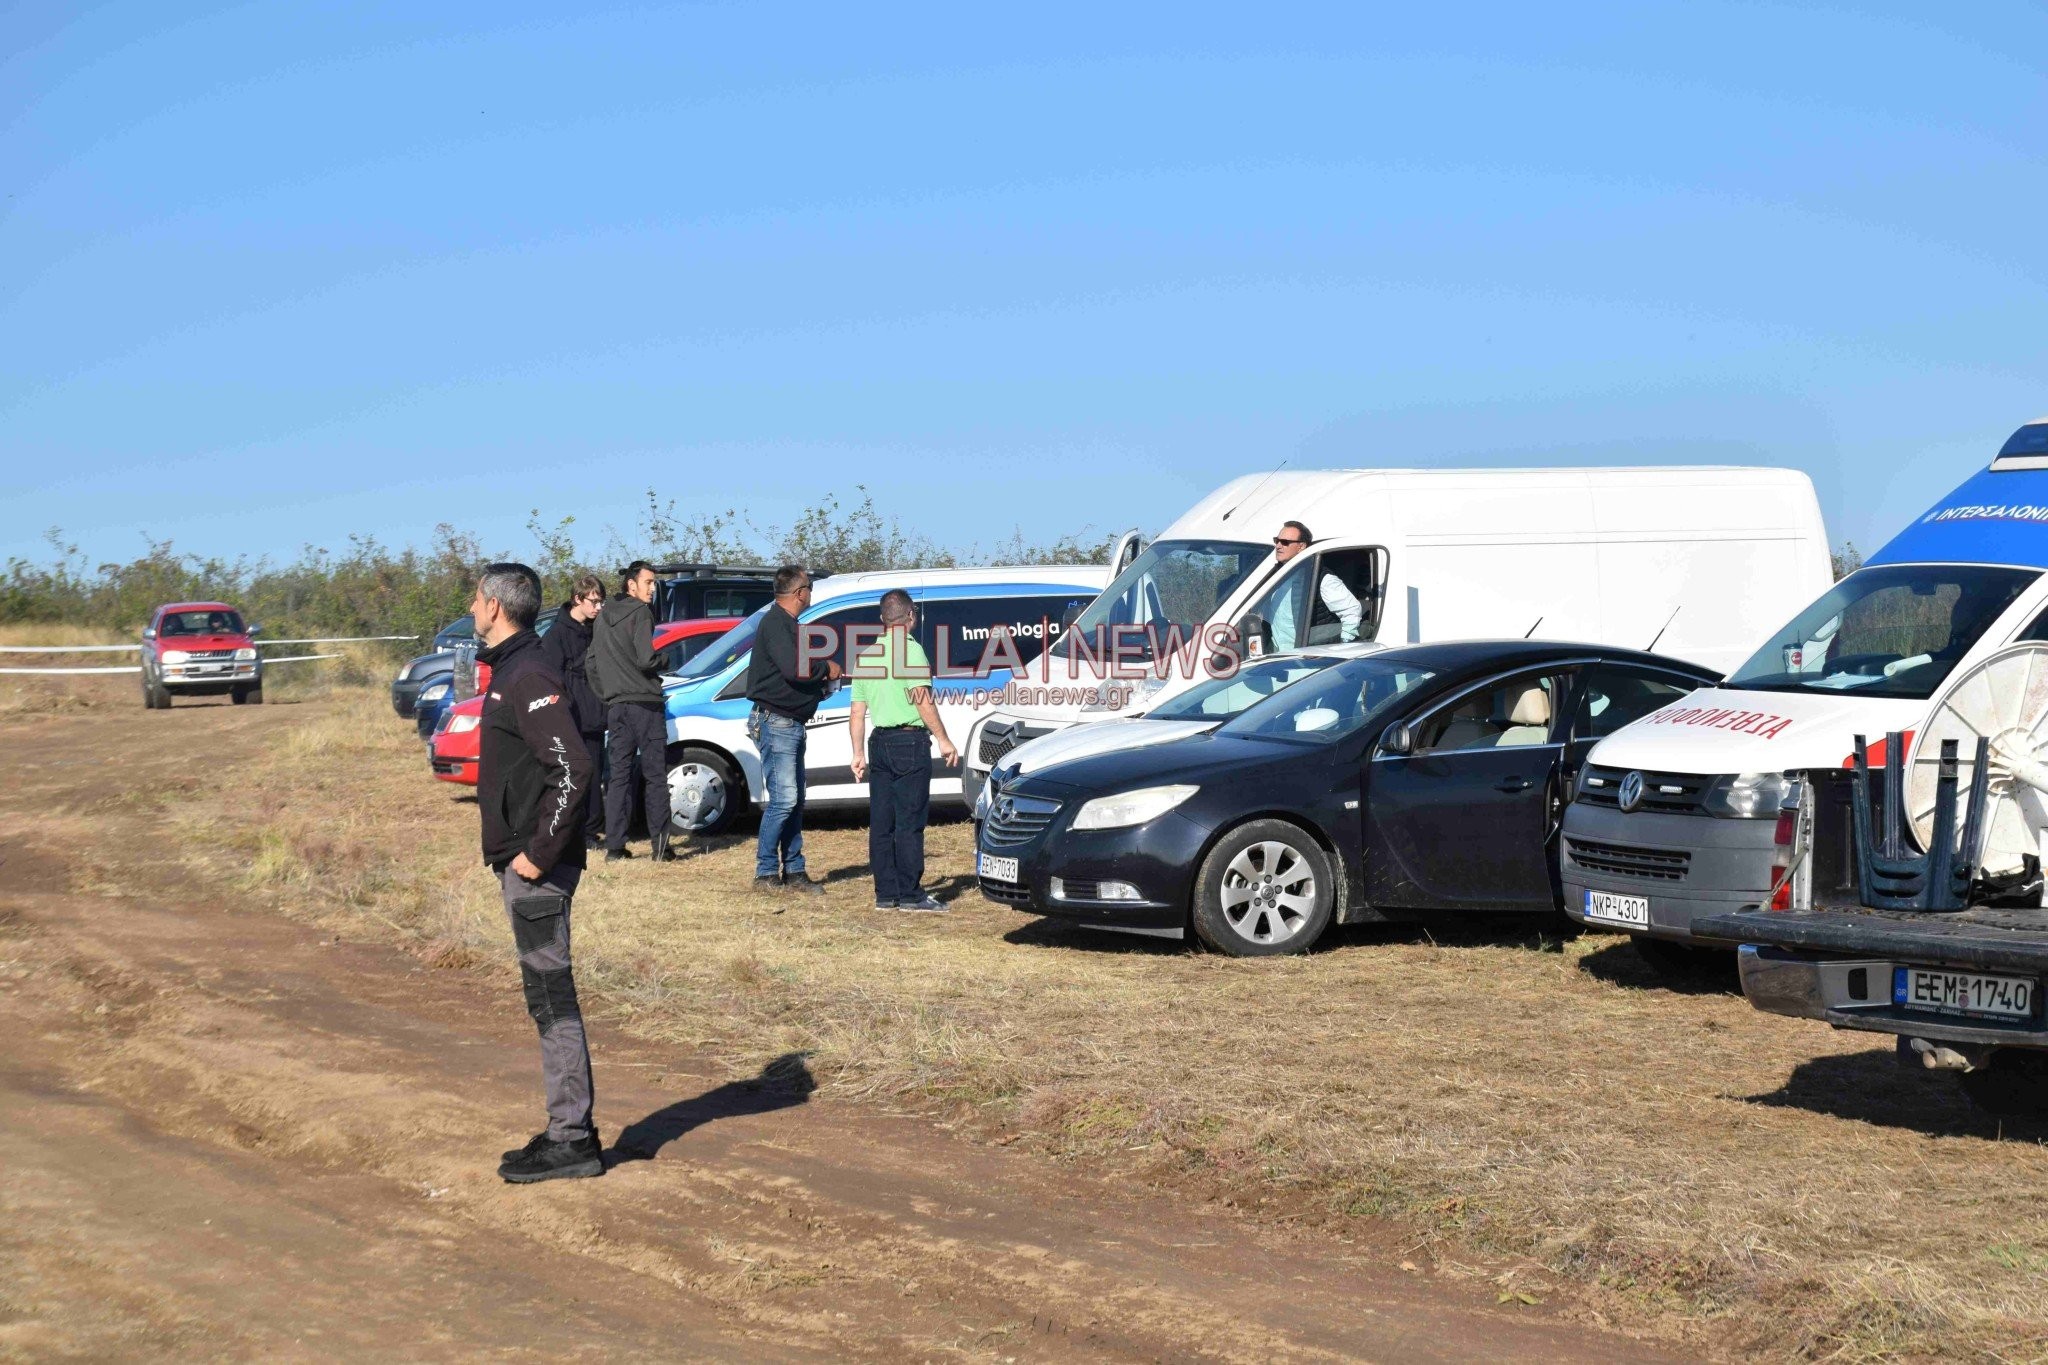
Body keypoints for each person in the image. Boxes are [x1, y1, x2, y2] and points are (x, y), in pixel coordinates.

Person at [470, 561, 603, 1184]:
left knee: (552, 998)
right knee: (544, 998)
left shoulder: (527, 672)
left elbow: (573, 767)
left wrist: (536, 855)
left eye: (475, 600)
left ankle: (571, 1138)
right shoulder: (515, 668)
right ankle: (566, 1129)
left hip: (538, 870)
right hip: (526, 862)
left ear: (495, 606)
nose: (472, 609)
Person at [848, 589, 959, 911]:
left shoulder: (867, 655)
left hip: (878, 742)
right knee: (910, 821)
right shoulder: (911, 652)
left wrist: (858, 754)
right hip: (909, 742)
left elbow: (857, 711)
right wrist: (943, 738)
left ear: (882, 620)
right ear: (912, 616)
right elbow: (921, 699)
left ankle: (886, 893)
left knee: (882, 823)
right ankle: (911, 894)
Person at [745, 564, 841, 894]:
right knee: (784, 800)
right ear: (800, 593)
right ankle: (765, 872)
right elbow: (793, 668)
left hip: (790, 722)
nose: (811, 594)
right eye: (810, 589)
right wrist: (825, 667)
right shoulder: (776, 623)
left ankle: (795, 870)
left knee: (795, 800)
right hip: (776, 722)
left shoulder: (787, 624)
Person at [588, 560, 672, 863]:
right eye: (648, 582)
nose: (653, 588)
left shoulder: (601, 617)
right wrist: (666, 660)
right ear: (631, 584)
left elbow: (591, 664)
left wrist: (609, 694)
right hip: (646, 706)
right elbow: (647, 659)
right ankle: (661, 848)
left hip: (618, 708)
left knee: (619, 778)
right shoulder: (640, 612)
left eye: (654, 583)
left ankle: (615, 848)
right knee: (655, 777)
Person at [539, 573, 607, 845]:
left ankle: (591, 828)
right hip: (573, 714)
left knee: (595, 771)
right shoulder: (556, 635)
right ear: (577, 599)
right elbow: (552, 679)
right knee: (578, 773)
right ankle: (579, 831)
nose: (598, 607)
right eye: (594, 601)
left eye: (601, 601)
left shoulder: (595, 629)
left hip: (595, 711)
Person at [1269, 520, 1362, 651]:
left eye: (1285, 542)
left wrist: (1343, 646)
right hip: (1277, 656)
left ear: (1301, 546)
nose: (1278, 546)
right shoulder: (1276, 575)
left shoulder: (1321, 578)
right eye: (1276, 540)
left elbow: (1352, 610)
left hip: (1307, 659)